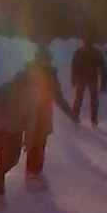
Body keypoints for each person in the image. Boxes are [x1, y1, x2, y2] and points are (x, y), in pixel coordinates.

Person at [23, 42, 78, 182]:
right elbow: (19, 93)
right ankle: (32, 173)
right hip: (32, 114)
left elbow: (57, 96)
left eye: (48, 60)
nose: (46, 62)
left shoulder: (48, 74)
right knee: (34, 143)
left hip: (43, 114)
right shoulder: (30, 74)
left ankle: (35, 172)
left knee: (39, 143)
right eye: (44, 59)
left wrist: (70, 113)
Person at [0, 66, 38, 197]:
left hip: (15, 130)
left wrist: (29, 138)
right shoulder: (7, 88)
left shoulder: (32, 95)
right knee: (1, 158)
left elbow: (31, 118)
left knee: (13, 160)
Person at [69, 36, 107, 126]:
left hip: (81, 78)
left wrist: (73, 78)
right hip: (92, 78)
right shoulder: (96, 53)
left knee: (78, 98)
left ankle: (75, 116)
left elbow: (74, 66)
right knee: (93, 99)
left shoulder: (79, 52)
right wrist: (104, 82)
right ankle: (93, 119)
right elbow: (103, 68)